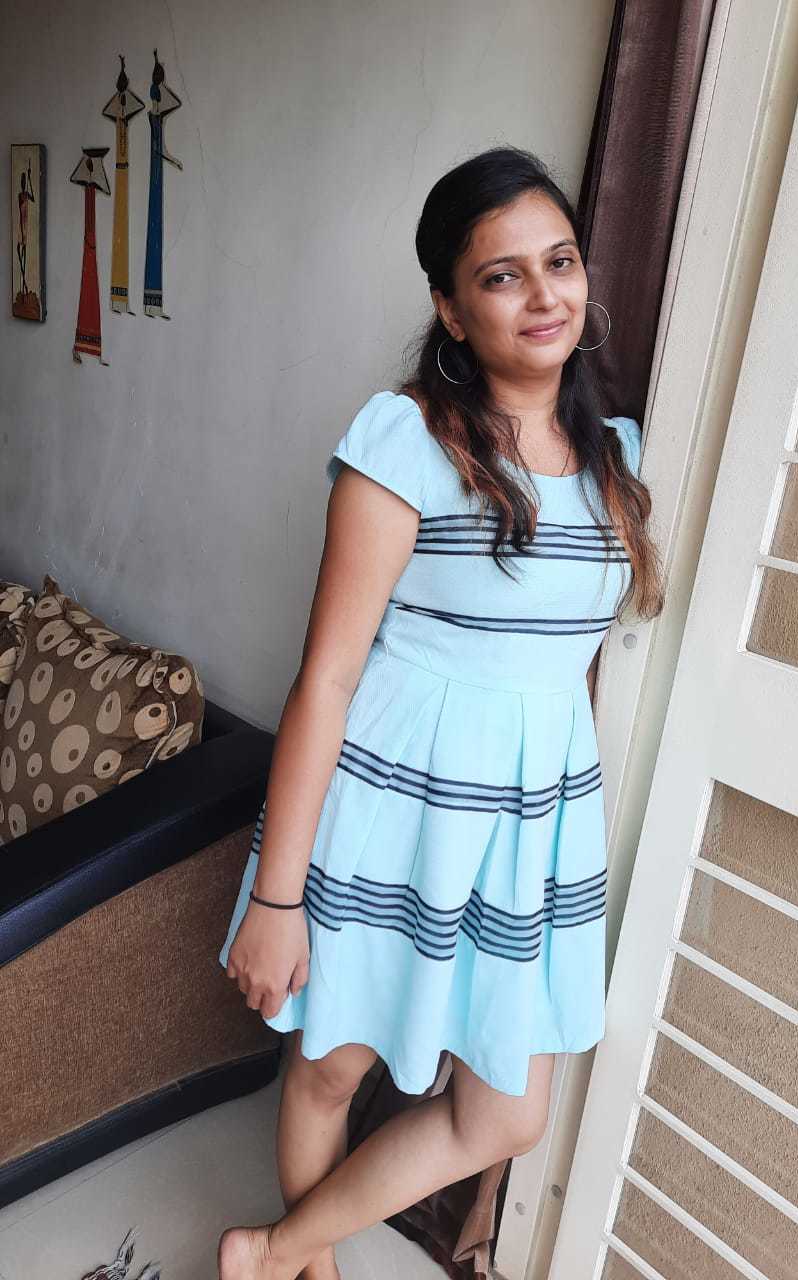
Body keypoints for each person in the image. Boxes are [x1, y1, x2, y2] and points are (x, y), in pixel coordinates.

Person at [216, 145, 665, 1280]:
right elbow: (326, 678)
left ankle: (270, 1250)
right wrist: (277, 897)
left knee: (505, 1110)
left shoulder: (615, 457)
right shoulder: (407, 440)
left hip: (525, 829)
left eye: (560, 261)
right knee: (333, 1065)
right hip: (389, 804)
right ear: (452, 310)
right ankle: (303, 1268)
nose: (544, 294)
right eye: (503, 275)